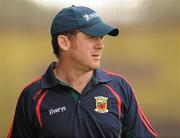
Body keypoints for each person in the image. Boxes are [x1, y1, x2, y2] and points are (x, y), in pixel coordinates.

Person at [8, 5, 157, 138]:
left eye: (101, 37)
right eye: (92, 37)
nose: (100, 45)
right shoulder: (32, 97)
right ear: (64, 42)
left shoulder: (119, 88)